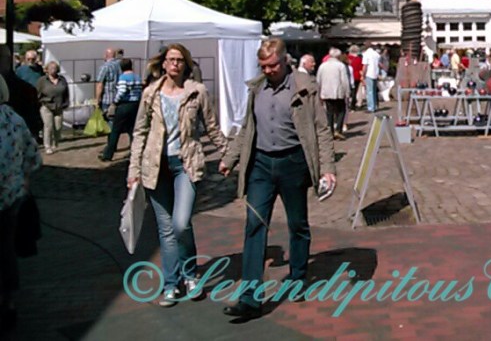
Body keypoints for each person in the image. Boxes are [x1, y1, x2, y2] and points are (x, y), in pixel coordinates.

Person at [219, 37, 336, 321]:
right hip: (260, 165)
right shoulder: (256, 88)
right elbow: (247, 127)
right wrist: (230, 158)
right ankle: (249, 298)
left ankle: (297, 277)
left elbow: (321, 129)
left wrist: (328, 168)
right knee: (254, 225)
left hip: (293, 163)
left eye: (272, 65)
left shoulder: (304, 87)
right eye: (263, 66)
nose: (268, 71)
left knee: (297, 224)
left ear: (285, 61)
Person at [127, 43, 227, 307]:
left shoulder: (197, 91)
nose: (175, 64)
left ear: (186, 64)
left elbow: (212, 127)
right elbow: (139, 132)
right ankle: (171, 284)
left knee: (181, 223)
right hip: (155, 166)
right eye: (171, 59)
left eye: (180, 60)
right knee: (166, 229)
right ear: (163, 63)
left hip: (185, 164)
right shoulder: (150, 93)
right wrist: (134, 170)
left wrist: (228, 155)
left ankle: (190, 275)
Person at [0, 76, 41, 331]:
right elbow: (33, 157)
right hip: (11, 197)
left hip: (8, 196)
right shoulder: (14, 119)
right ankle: (9, 301)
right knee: (5, 249)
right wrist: (22, 181)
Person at [99, 58, 143, 162]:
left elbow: (122, 91)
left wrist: (115, 102)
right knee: (132, 130)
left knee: (115, 130)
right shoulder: (137, 77)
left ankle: (108, 154)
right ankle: (135, 152)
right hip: (135, 105)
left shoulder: (123, 77)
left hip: (124, 105)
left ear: (121, 67)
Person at [34, 61, 68, 155]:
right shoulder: (42, 80)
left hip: (59, 106)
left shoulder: (62, 79)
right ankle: (47, 146)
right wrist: (39, 102)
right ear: (47, 70)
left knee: (58, 127)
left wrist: (66, 103)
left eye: (55, 68)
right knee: (48, 126)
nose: (53, 70)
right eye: (51, 68)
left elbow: (66, 92)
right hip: (46, 106)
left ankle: (55, 143)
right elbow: (37, 93)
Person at [316, 48, 350, 141]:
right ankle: (338, 129)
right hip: (338, 92)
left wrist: (319, 92)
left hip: (326, 92)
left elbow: (318, 80)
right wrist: (347, 92)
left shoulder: (322, 66)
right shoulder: (340, 66)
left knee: (329, 112)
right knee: (341, 111)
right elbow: (344, 80)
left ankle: (330, 131)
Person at [95, 47, 121, 118]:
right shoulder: (119, 65)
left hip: (107, 99)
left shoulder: (104, 67)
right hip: (118, 97)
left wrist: (97, 100)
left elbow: (99, 84)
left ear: (106, 55)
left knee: (108, 119)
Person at [362, 42, 381, 113]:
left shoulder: (366, 54)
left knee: (369, 91)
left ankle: (371, 107)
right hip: (375, 73)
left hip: (369, 74)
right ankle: (375, 105)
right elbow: (378, 64)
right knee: (374, 91)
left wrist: (363, 75)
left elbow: (365, 66)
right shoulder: (376, 54)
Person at [346, 45, 364, 110]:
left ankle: (348, 104)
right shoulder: (359, 59)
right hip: (357, 77)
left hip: (348, 77)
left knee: (348, 91)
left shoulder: (347, 58)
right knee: (356, 91)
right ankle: (356, 104)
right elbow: (361, 68)